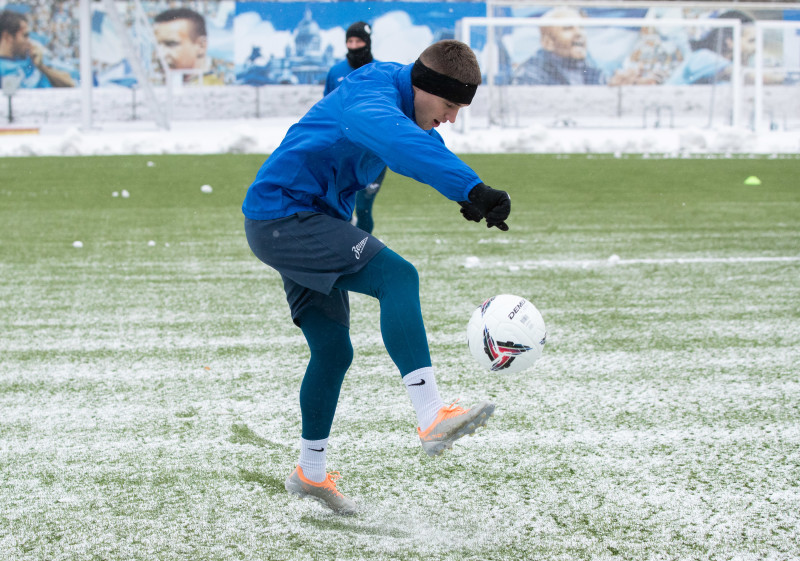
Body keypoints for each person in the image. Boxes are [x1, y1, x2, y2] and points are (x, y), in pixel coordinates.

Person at [242, 39, 511, 515]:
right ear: (424, 86)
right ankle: (432, 416)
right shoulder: (370, 96)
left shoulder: (401, 98)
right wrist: (470, 186)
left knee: (332, 351)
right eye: (449, 105)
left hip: (302, 219)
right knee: (398, 277)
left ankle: (311, 472)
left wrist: (466, 196)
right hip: (285, 217)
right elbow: (401, 143)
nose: (451, 117)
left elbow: (422, 140)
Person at [324, 21, 385, 234]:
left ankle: (364, 251)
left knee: (364, 207)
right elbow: (326, 110)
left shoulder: (380, 71)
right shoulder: (336, 72)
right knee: (342, 208)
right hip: (343, 149)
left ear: (367, 43)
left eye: (358, 40)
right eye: (350, 41)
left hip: (374, 149)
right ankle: (346, 253)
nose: (354, 45)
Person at [513, 7, 606, 86]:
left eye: (581, 27)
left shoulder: (593, 72)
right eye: (568, 28)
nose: (579, 33)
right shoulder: (532, 73)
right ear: (548, 43)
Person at [0, 10, 75, 88]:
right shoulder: (2, 68)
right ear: (7, 37)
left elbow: (70, 84)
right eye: (25, 36)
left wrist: (41, 66)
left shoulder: (31, 60)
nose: (29, 41)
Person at [153, 8, 222, 85]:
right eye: (157, 45)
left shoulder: (213, 91)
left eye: (171, 44)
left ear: (201, 46)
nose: (159, 55)